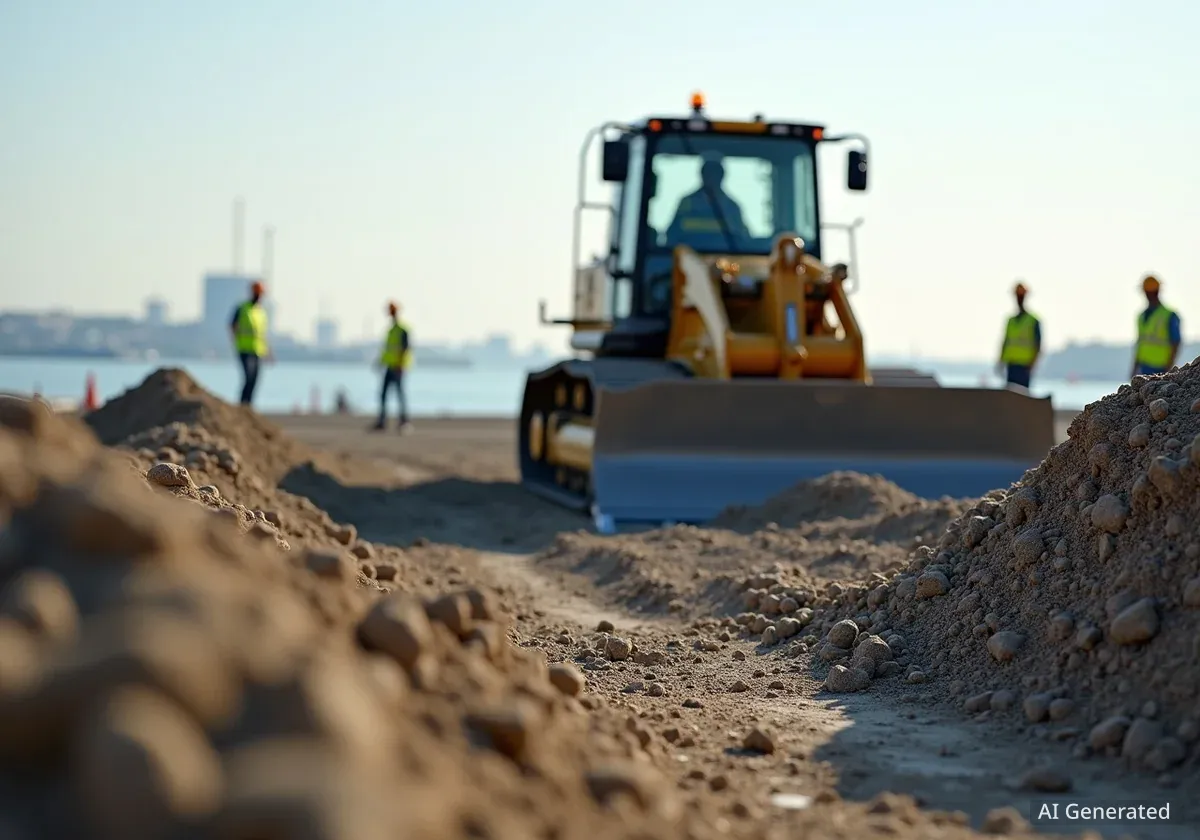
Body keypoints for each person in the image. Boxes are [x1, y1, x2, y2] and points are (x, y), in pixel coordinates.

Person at [666, 157, 750, 250]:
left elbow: (742, 241)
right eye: (708, 174)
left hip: (723, 262)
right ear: (702, 175)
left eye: (715, 174)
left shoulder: (732, 208)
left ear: (722, 176)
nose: (711, 178)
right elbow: (671, 237)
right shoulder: (686, 203)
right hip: (689, 260)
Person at [1131, 274, 1182, 377]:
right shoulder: (1141, 316)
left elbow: (1176, 343)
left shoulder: (1169, 315)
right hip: (1144, 367)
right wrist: (1135, 369)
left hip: (1161, 367)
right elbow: (1140, 344)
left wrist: (1168, 370)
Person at [229, 280, 270, 406]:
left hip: (258, 350)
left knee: (255, 380)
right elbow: (233, 325)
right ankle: (242, 404)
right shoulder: (242, 308)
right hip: (244, 349)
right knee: (248, 377)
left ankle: (249, 406)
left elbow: (262, 334)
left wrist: (267, 351)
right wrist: (235, 340)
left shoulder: (261, 312)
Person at [374, 301, 412, 432]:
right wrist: (380, 362)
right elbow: (387, 350)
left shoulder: (402, 330)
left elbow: (405, 348)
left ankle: (404, 421)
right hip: (389, 366)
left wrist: (400, 364)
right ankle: (382, 421)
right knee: (384, 394)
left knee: (400, 394)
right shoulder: (390, 331)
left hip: (398, 367)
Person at [996, 282, 1041, 389]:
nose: (1019, 299)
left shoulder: (1033, 321)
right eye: (1017, 296)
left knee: (1022, 397)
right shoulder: (1010, 321)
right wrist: (1001, 361)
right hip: (1011, 365)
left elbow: (1038, 344)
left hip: (1024, 366)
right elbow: (1005, 342)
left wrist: (1032, 364)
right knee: (1010, 397)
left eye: (1021, 296)